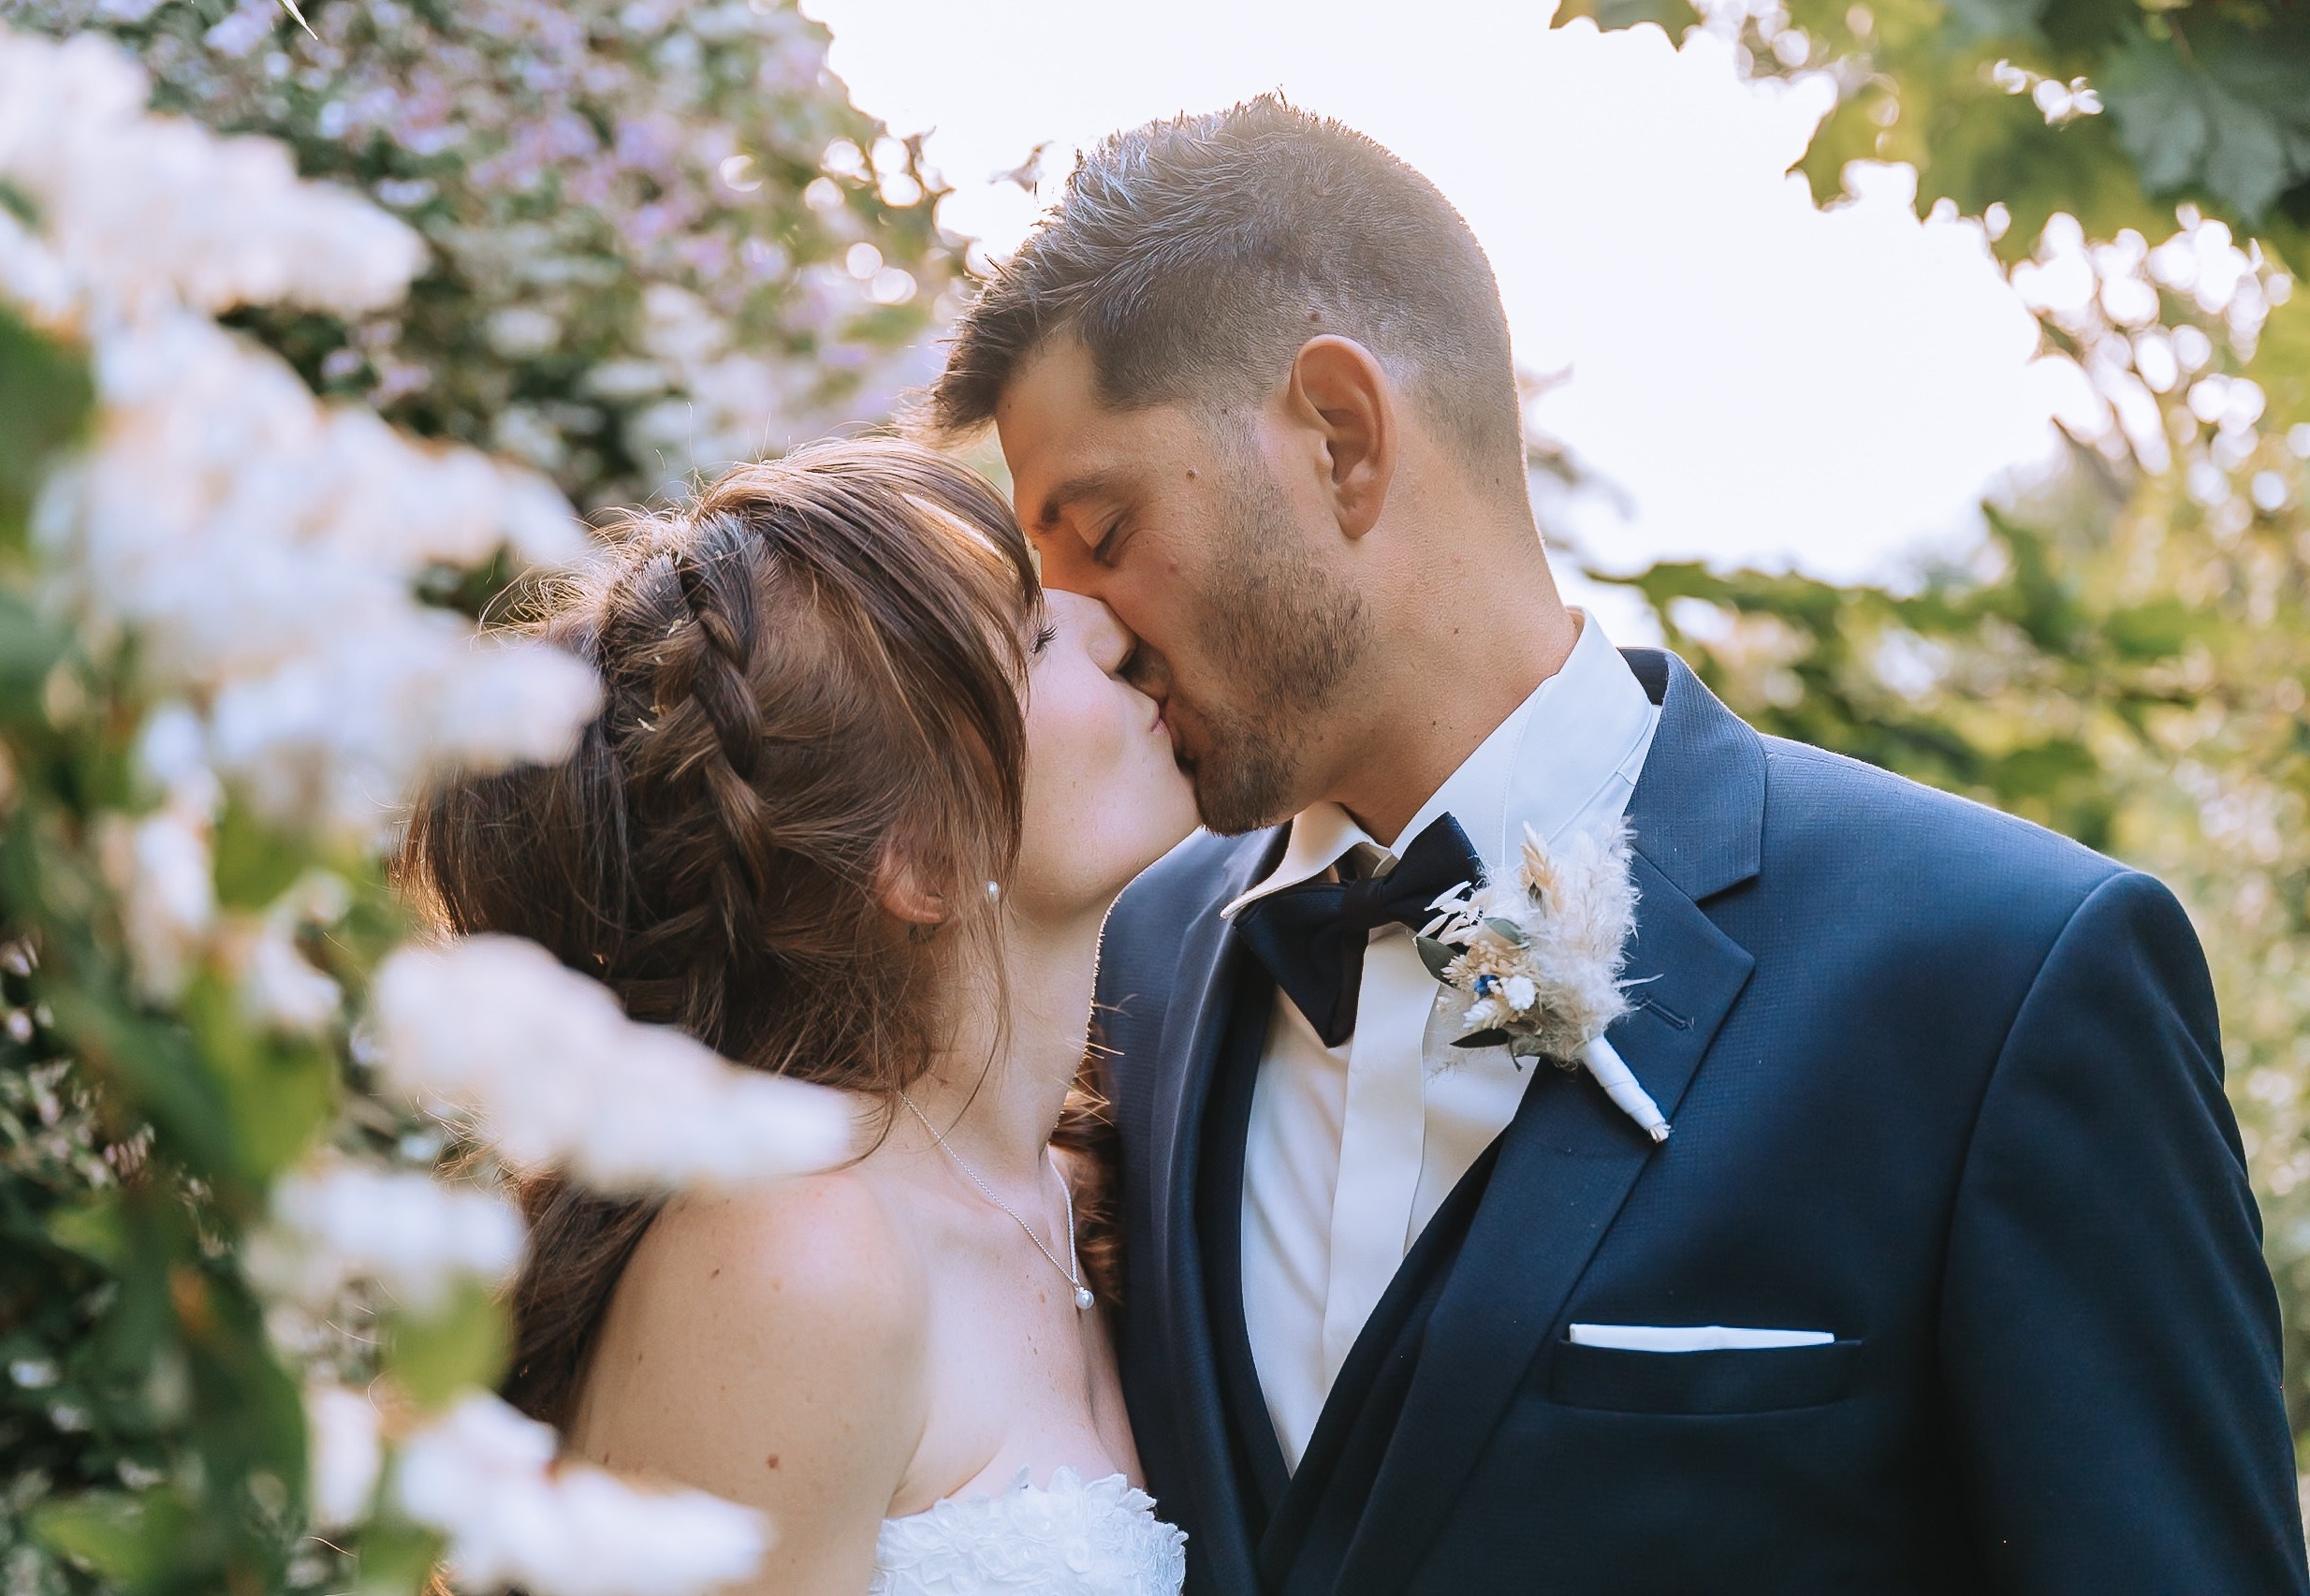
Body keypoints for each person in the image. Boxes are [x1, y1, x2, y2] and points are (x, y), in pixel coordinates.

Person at [927, 95, 2310, 1594]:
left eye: (1106, 531)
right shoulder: (1130, 961)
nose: (1094, 641)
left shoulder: (1999, 982)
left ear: (1340, 437)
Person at [402, 440, 1197, 1594]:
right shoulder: (797, 1251)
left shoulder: (1074, 1189)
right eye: (1031, 639)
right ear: (920, 860)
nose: (1108, 623)